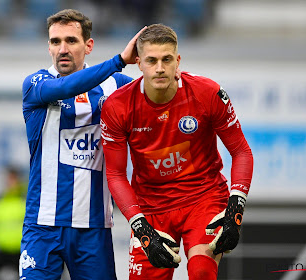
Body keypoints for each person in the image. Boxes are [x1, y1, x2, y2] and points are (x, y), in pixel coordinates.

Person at [100, 24, 254, 280]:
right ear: (139, 63)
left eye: (166, 59)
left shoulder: (207, 93)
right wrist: (141, 228)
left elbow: (241, 152)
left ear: (177, 61)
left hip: (203, 198)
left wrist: (236, 207)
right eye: (151, 60)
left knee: (202, 271)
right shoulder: (118, 106)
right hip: (151, 208)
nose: (159, 68)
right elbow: (115, 174)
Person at [20, 8, 144, 280]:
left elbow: (156, 94)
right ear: (48, 46)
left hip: (93, 228)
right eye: (55, 41)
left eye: (71, 41)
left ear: (88, 45)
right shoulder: (37, 84)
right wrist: (119, 61)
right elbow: (66, 88)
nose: (62, 49)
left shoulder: (117, 85)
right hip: (42, 226)